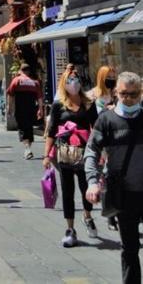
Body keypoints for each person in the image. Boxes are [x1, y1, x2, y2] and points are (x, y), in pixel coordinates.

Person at [85, 71, 143, 284]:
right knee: (130, 248)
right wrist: (92, 182)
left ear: (140, 93)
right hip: (124, 194)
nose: (128, 99)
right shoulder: (107, 120)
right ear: (116, 93)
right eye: (124, 94)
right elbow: (91, 152)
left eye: (134, 94)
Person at [43, 67, 97, 248]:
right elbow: (51, 131)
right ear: (63, 83)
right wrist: (46, 155)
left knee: (86, 189)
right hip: (65, 154)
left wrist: (101, 151)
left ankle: (87, 215)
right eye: (69, 80)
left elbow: (96, 128)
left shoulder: (88, 103)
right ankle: (70, 229)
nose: (73, 83)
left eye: (75, 79)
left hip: (84, 154)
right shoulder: (59, 105)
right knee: (67, 191)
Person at [7, 62, 44, 159]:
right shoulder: (35, 83)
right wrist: (40, 110)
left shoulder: (16, 80)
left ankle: (27, 149)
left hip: (20, 109)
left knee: (22, 129)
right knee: (29, 128)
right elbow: (40, 98)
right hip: (32, 109)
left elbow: (10, 95)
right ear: (28, 72)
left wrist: (9, 108)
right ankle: (28, 149)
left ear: (21, 70)